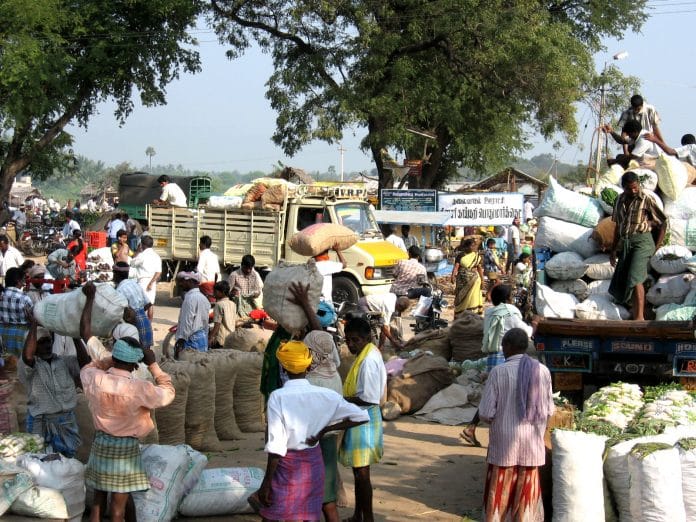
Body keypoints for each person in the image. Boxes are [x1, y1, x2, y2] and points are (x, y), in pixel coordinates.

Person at [79, 287, 175, 522]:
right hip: (125, 449)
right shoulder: (139, 388)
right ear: (135, 365)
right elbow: (168, 393)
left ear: (115, 355)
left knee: (97, 505)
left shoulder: (95, 378)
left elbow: (89, 363)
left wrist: (110, 359)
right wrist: (154, 367)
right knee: (118, 509)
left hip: (101, 443)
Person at [251, 340, 368, 521]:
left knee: (274, 516)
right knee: (306, 515)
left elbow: (276, 447)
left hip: (286, 468)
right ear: (308, 366)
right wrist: (325, 429)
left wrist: (266, 483)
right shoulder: (325, 395)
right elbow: (361, 416)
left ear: (283, 368)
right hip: (313, 464)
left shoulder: (278, 397)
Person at [479, 328, 553, 522]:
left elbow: (486, 413)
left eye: (503, 346)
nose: (502, 350)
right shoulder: (542, 371)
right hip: (531, 444)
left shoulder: (499, 372)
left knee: (500, 489)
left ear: (509, 347)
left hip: (504, 444)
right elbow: (549, 410)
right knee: (526, 493)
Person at [19, 284, 92, 457]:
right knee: (40, 462)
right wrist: (34, 324)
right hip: (40, 422)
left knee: (67, 463)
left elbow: (85, 363)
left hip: (66, 421)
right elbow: (28, 356)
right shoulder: (29, 366)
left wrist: (74, 334)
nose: (46, 345)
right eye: (40, 343)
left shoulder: (63, 362)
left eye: (48, 341)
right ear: (32, 346)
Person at [460, 285, 536, 447]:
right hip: (507, 356)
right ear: (508, 298)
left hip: (493, 356)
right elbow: (525, 333)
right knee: (502, 397)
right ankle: (498, 434)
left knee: (492, 395)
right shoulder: (510, 312)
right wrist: (535, 325)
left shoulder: (490, 312)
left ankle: (472, 427)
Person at [338, 316, 387, 522]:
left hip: (364, 418)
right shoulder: (368, 353)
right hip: (362, 416)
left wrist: (339, 399)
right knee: (359, 474)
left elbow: (367, 397)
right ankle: (359, 515)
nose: (350, 344)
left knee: (363, 475)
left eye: (355, 340)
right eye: (348, 340)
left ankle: (367, 518)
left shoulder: (367, 360)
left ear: (367, 337)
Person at [609, 171, 667, 320]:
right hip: (626, 243)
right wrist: (614, 249)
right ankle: (637, 314)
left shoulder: (646, 199)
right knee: (626, 279)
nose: (634, 191)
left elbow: (662, 222)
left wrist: (657, 246)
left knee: (635, 278)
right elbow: (617, 226)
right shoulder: (619, 200)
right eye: (630, 188)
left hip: (643, 242)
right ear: (623, 187)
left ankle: (639, 318)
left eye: (636, 187)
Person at [303, 330, 344, 521]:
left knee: (310, 498)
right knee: (328, 498)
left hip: (313, 442)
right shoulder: (334, 374)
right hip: (331, 437)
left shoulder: (311, 380)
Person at [113, 262, 153, 349]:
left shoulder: (119, 290)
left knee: (134, 353)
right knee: (145, 353)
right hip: (145, 322)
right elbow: (148, 304)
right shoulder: (135, 284)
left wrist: (131, 317)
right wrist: (139, 312)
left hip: (133, 325)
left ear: (116, 274)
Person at [0, 267, 35, 357]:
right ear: (18, 281)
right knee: (18, 364)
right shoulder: (24, 298)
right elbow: (32, 316)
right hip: (20, 336)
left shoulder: (1, 295)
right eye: (23, 280)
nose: (24, 283)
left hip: (1, 333)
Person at [174, 271, 210, 354]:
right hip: (202, 339)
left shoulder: (190, 299)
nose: (180, 284)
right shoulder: (203, 298)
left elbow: (187, 321)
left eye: (182, 281)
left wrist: (181, 340)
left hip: (191, 340)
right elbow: (205, 322)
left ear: (189, 281)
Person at [452, 238, 484, 316]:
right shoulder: (461, 255)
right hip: (462, 280)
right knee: (461, 296)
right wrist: (453, 276)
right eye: (472, 246)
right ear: (466, 246)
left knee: (473, 297)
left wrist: (482, 280)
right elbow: (456, 267)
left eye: (475, 246)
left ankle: (473, 312)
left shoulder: (476, 256)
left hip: (475, 280)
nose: (474, 247)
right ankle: (461, 312)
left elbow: (479, 268)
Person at [130, 235, 162, 311]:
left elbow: (132, 263)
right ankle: (149, 322)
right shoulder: (157, 256)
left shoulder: (142, 255)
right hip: (152, 281)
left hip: (143, 282)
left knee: (140, 305)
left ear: (142, 245)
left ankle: (141, 321)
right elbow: (158, 272)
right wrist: (151, 283)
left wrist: (138, 251)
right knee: (150, 304)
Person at [209, 280, 236, 348]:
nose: (214, 293)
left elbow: (217, 324)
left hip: (220, 339)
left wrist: (210, 337)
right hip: (231, 338)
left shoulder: (219, 305)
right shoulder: (233, 304)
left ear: (222, 292)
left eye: (215, 291)